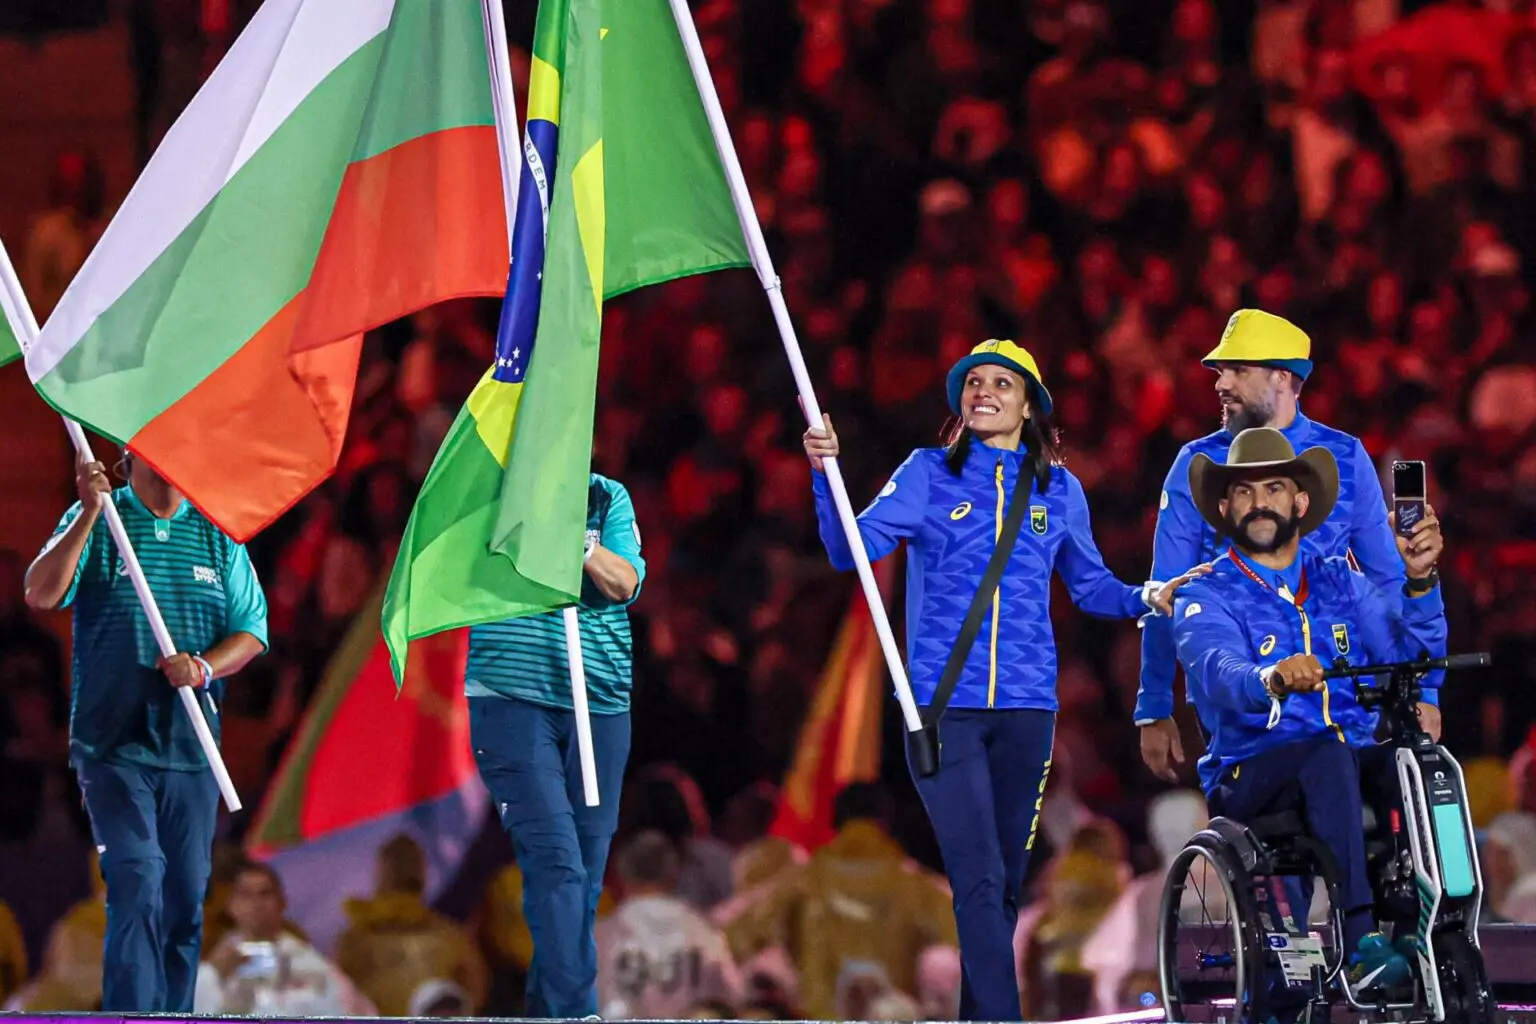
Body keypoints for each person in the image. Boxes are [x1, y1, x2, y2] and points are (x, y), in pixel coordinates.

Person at [802, 340, 1197, 1021]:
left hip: (1028, 711)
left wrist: (1147, 597)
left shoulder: (1059, 490)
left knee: (1002, 888)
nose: (983, 391)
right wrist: (824, 476)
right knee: (980, 878)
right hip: (942, 709)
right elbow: (850, 551)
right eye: (973, 382)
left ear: (1030, 405)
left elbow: (1092, 587)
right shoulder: (927, 473)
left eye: (1001, 383)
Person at [1171, 427, 1446, 998]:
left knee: (1415, 764)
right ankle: (1362, 942)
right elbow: (1219, 668)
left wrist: (1420, 582)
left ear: (1299, 503)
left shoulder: (1340, 581)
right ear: (1224, 508)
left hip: (1342, 760)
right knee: (1328, 756)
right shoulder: (1206, 593)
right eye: (1243, 492)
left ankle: (1424, 929)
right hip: (1250, 772)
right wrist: (1269, 677)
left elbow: (1408, 660)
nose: (1259, 503)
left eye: (1273, 489)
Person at [23, 449, 267, 1012]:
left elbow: (252, 631)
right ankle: (133, 1015)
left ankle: (173, 1014)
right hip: (112, 747)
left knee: (185, 900)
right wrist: (88, 512)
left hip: (191, 750)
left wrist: (202, 667)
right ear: (131, 455)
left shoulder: (218, 535)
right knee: (137, 878)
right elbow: (40, 592)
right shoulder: (101, 516)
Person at [1139, 309, 1405, 784]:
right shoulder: (1197, 464)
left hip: (1341, 688)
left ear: (1284, 377)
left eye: (1238, 370)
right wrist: (1154, 704)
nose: (1221, 384)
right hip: (1241, 699)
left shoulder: (1344, 456)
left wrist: (1420, 693)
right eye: (1221, 371)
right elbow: (1167, 592)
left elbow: (1386, 579)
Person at [466, 472, 645, 1019]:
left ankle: (550, 1013)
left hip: (601, 703)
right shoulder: (488, 489)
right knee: (557, 864)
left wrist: (579, 542)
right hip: (512, 701)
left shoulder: (605, 495)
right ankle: (575, 1012)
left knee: (583, 879)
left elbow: (623, 583)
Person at [596, 830, 745, 1020]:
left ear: (621, 874)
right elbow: (734, 997)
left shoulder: (601, 938)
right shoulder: (705, 932)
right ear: (674, 872)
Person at [334, 834, 488, 1016]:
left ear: (380, 875)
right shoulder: (451, 936)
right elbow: (475, 993)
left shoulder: (354, 942)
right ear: (423, 875)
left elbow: (338, 998)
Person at [194, 861, 373, 1016]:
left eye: (265, 894)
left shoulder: (307, 960)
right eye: (246, 895)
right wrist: (212, 973)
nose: (256, 903)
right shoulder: (215, 963)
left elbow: (352, 1010)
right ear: (231, 905)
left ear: (282, 902)